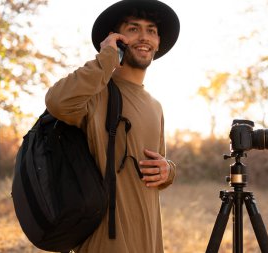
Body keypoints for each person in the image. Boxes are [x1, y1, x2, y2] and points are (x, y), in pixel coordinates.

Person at [45, 0, 180, 252]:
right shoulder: (95, 93)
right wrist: (106, 58)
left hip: (148, 240)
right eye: (133, 29)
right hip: (104, 242)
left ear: (158, 42)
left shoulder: (155, 105)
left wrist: (168, 170)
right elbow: (57, 101)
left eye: (151, 30)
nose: (144, 37)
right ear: (116, 38)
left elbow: (157, 167)